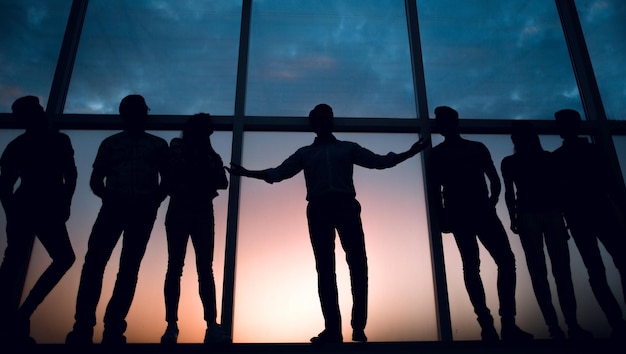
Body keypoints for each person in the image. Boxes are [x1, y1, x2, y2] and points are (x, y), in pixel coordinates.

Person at [226, 103, 428, 344]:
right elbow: (278, 173)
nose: (324, 122)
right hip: (320, 209)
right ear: (313, 124)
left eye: (328, 117)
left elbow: (379, 161)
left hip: (345, 207)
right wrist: (248, 173)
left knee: (357, 265)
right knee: (326, 269)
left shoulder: (347, 148)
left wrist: (410, 152)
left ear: (331, 121)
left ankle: (357, 327)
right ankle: (334, 329)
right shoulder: (306, 154)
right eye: (320, 118)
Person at [65, 94, 169, 347]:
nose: (139, 116)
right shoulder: (113, 144)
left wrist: (152, 200)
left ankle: (102, 328)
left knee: (115, 266)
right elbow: (96, 180)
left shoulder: (155, 145)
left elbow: (166, 180)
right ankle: (91, 327)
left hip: (137, 210)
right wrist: (111, 197)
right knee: (104, 265)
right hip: (117, 209)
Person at [430, 106, 532, 342]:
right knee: (484, 264)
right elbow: (437, 190)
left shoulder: (464, 150)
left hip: (474, 212)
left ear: (453, 122)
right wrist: (443, 216)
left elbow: (493, 180)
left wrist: (491, 201)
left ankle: (500, 325)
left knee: (496, 262)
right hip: (466, 213)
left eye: (442, 120)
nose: (440, 124)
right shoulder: (455, 151)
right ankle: (493, 325)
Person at [501, 120, 592, 340]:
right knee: (558, 271)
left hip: (534, 214)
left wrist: (513, 217)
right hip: (545, 213)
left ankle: (558, 326)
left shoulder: (512, 162)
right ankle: (568, 324)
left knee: (541, 272)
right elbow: (558, 189)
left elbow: (511, 193)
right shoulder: (546, 158)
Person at [0, 96, 77, 344]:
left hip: (38, 207)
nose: (42, 112)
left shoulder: (22, 144)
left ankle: (17, 317)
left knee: (15, 263)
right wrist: (13, 213)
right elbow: (70, 176)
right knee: (20, 263)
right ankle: (18, 317)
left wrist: (65, 203)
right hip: (40, 207)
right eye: (36, 110)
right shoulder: (50, 141)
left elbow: (70, 175)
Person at [551, 109, 626, 339]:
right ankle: (616, 323)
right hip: (598, 213)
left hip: (581, 217)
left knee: (597, 270)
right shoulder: (591, 151)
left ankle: (616, 323)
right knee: (614, 264)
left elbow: (560, 194)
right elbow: (611, 184)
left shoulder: (559, 157)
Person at [160, 113, 231, 345]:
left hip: (196, 210)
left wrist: (194, 176)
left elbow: (222, 181)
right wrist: (204, 177)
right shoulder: (179, 146)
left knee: (201, 269)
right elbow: (182, 173)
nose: (208, 134)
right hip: (187, 209)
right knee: (177, 268)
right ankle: (173, 325)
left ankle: (209, 325)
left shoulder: (209, 154)